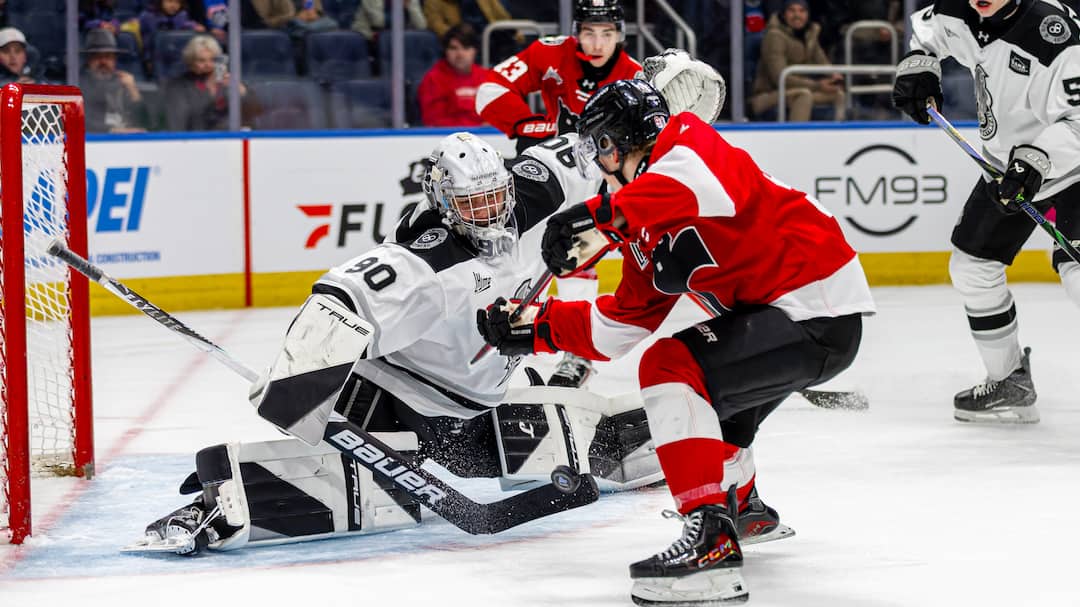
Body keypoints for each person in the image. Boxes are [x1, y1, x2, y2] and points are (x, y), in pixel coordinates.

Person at [477, 79, 875, 603]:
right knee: (710, 409)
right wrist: (537, 327)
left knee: (671, 366)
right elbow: (621, 325)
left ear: (613, 145)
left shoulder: (689, 143)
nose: (598, 166)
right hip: (784, 316)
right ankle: (742, 508)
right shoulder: (639, 223)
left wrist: (600, 219)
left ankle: (710, 544)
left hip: (817, 308)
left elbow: (695, 183)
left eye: (598, 149)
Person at [891, 0, 1080, 423]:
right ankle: (1009, 381)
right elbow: (926, 32)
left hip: (1071, 167)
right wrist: (920, 66)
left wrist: (1035, 160)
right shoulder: (957, 9)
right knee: (972, 268)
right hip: (1007, 167)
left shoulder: (1053, 33)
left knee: (1077, 276)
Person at [476, 0, 643, 153]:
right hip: (553, 160)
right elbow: (491, 89)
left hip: (608, 165)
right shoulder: (550, 53)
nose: (598, 45)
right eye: (589, 33)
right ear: (577, 34)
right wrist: (527, 125)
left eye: (607, 34)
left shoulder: (635, 76)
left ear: (619, 36)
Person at [750, 0, 846, 121]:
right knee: (803, 95)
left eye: (802, 11)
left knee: (838, 94)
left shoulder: (810, 34)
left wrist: (834, 76)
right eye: (792, 11)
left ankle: (837, 132)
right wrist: (817, 85)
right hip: (769, 94)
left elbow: (822, 60)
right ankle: (797, 134)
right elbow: (779, 78)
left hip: (801, 89)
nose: (797, 15)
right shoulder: (774, 36)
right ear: (784, 14)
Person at [163, 34, 257, 131]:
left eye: (212, 59)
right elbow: (177, 123)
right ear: (191, 62)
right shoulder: (178, 86)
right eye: (201, 60)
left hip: (231, 137)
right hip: (197, 137)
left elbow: (256, 111)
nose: (208, 64)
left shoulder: (228, 80)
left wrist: (241, 90)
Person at [417, 23, 490, 126]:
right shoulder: (433, 79)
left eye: (466, 48)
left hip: (487, 134)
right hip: (450, 135)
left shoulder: (487, 77)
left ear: (475, 51)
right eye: (453, 48)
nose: (460, 54)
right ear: (445, 51)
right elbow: (433, 121)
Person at [81, 29, 146, 134]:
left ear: (114, 60)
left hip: (128, 139)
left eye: (108, 56)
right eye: (97, 57)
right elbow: (82, 121)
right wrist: (112, 131)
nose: (103, 62)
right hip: (96, 140)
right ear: (89, 60)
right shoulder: (81, 85)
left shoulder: (123, 81)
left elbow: (145, 121)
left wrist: (133, 90)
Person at [138, 0, 206, 73]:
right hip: (157, 59)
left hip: (178, 57)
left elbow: (185, 24)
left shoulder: (182, 15)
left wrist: (194, 26)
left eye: (177, 2)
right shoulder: (148, 17)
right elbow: (146, 43)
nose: (173, 5)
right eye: (170, 1)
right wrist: (148, 60)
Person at [351, 0, 428, 42]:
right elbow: (378, 21)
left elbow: (421, 25)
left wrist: (410, 7)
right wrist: (401, 7)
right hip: (368, 38)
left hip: (398, 40)